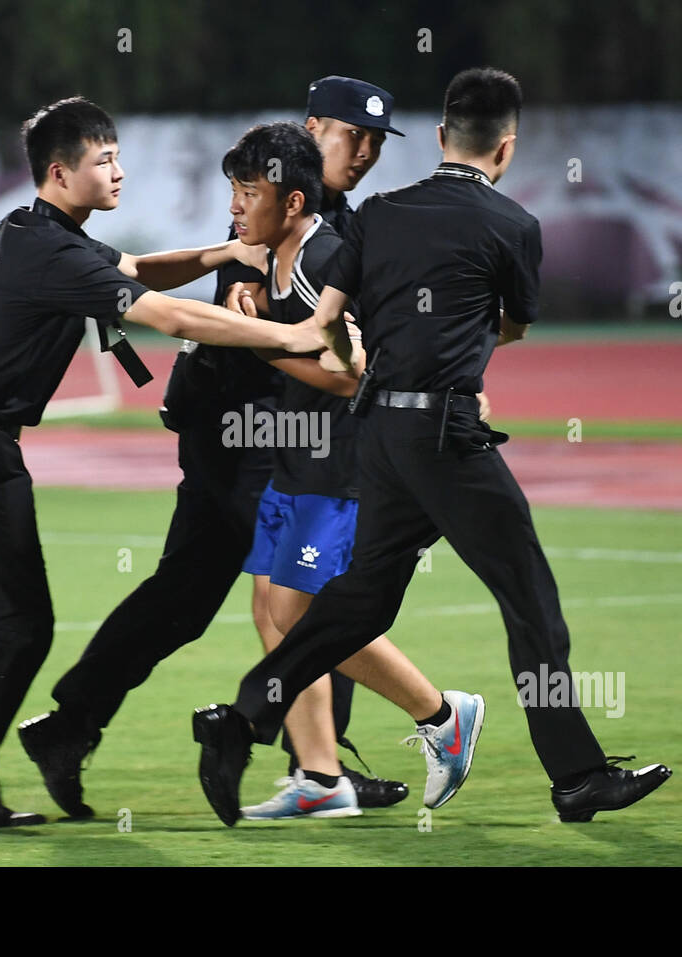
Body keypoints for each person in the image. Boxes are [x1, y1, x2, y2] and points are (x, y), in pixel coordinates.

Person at [0, 95, 324, 829]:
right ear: (58, 171)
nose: (119, 171)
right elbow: (164, 314)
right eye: (103, 160)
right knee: (18, 627)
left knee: (8, 624)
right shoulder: (50, 249)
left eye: (117, 156)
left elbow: (140, 268)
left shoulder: (50, 235)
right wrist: (292, 339)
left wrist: (218, 255)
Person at [194, 68, 672, 827]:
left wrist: (252, 321)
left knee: (356, 602)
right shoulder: (515, 225)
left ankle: (246, 712)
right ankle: (578, 777)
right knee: (531, 602)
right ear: (506, 148)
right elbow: (512, 325)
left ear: (443, 138)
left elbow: (328, 327)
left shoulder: (378, 215)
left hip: (377, 434)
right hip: (448, 434)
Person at [17, 78, 410, 819]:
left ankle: (312, 766)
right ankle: (328, 761)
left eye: (376, 142)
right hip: (244, 437)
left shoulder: (320, 217)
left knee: (251, 591)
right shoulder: (282, 210)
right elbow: (272, 330)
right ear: (314, 127)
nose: (363, 153)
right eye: (350, 134)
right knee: (271, 590)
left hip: (270, 435)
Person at [219, 121, 451, 821]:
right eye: (232, 189)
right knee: (270, 609)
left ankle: (442, 715)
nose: (235, 205)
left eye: (247, 191)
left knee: (302, 611)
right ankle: (320, 776)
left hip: (337, 463)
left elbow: (354, 375)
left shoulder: (322, 255)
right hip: (294, 458)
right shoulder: (274, 258)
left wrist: (258, 341)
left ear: (291, 202)